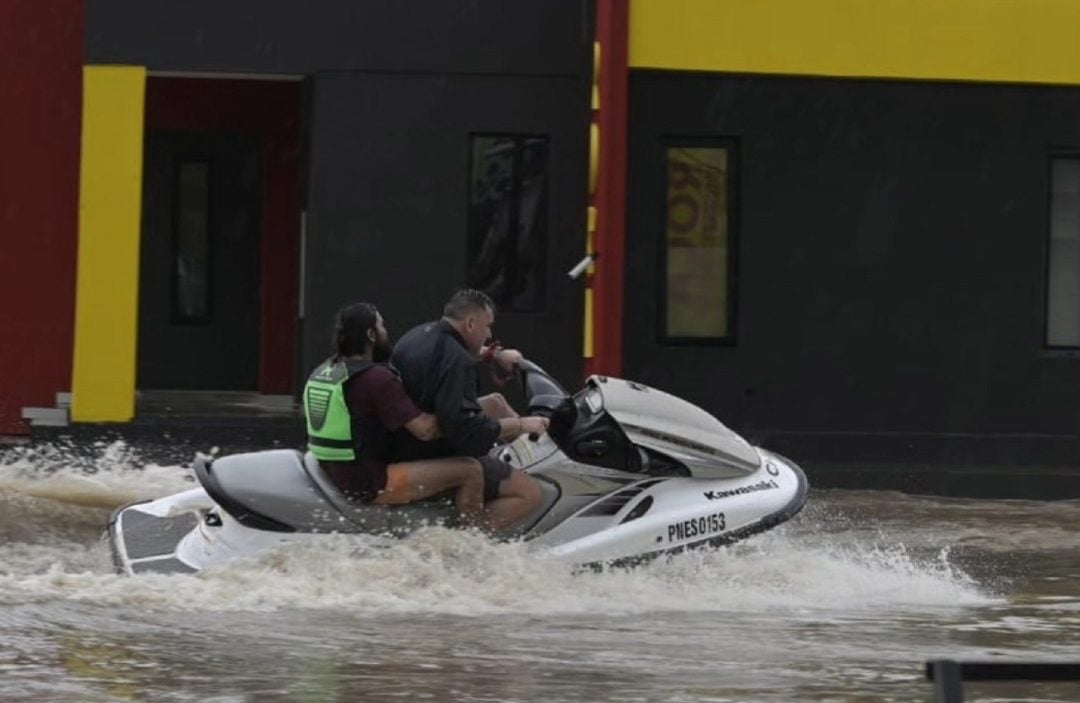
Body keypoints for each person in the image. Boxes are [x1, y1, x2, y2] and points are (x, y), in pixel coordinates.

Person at [303, 302, 484, 522]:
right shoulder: (376, 379)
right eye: (382, 326)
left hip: (333, 470)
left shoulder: (325, 371)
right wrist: (466, 420)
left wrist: (482, 355)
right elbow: (425, 430)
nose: (386, 332)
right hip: (368, 482)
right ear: (371, 334)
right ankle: (474, 545)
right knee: (471, 471)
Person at [390, 289, 548, 531]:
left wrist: (494, 354)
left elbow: (444, 358)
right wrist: (522, 425)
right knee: (529, 493)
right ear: (471, 323)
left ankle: (540, 454)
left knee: (495, 402)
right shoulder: (458, 362)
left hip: (402, 437)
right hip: (426, 452)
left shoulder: (418, 335)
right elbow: (467, 433)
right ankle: (470, 545)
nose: (490, 333)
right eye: (487, 327)